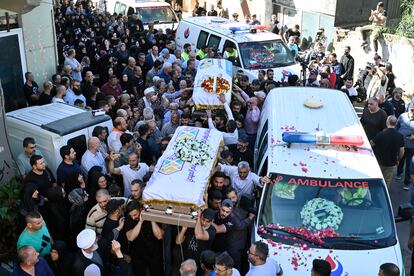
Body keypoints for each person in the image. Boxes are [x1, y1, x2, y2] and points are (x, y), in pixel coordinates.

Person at [124, 200, 164, 276]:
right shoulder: (129, 218)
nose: (133, 217)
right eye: (131, 215)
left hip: (154, 252)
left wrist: (151, 219)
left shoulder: (152, 215)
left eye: (135, 214)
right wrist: (140, 222)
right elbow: (130, 237)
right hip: (138, 254)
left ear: (141, 210)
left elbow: (159, 236)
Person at [371, 115, 404, 189]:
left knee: (376, 179)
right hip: (391, 163)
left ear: (387, 122)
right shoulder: (400, 136)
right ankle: (384, 196)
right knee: (387, 181)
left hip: (379, 162)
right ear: (395, 124)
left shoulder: (381, 134)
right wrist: (398, 160)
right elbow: (402, 151)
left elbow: (371, 144)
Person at [396, 106, 414, 190]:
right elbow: (397, 126)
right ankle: (399, 173)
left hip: (411, 147)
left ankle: (407, 183)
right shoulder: (402, 116)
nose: (412, 112)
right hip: (401, 145)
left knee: (409, 164)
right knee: (400, 159)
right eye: (411, 110)